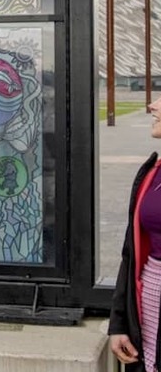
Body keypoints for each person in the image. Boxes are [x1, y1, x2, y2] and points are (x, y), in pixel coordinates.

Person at [109, 95, 161, 371]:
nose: (153, 105)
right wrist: (119, 323)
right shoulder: (151, 172)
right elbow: (130, 254)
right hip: (148, 314)